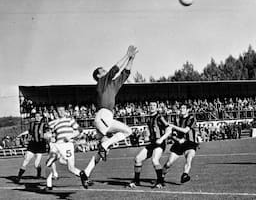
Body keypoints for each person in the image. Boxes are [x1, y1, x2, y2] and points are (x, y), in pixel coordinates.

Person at [84, 45, 138, 180]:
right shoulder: (102, 82)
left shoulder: (112, 84)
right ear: (98, 76)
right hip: (103, 115)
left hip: (103, 118)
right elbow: (115, 70)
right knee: (128, 131)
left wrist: (131, 59)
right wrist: (126, 55)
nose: (105, 70)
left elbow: (125, 73)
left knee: (103, 150)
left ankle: (86, 173)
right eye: (102, 70)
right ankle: (104, 145)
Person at [128, 102, 172, 189]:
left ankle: (160, 182)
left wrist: (162, 139)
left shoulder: (159, 117)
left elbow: (169, 129)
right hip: (152, 143)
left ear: (157, 108)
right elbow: (149, 131)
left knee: (155, 160)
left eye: (154, 106)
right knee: (138, 159)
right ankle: (137, 181)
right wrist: (146, 136)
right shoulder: (149, 118)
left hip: (160, 143)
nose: (152, 107)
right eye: (150, 106)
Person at [44, 106, 88, 191]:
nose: (60, 112)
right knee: (48, 163)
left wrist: (70, 136)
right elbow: (47, 134)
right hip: (57, 145)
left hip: (67, 145)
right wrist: (49, 137)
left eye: (62, 110)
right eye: (58, 111)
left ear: (65, 111)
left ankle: (82, 175)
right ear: (56, 112)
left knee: (71, 168)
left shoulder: (70, 120)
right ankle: (49, 186)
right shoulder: (53, 123)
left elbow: (80, 130)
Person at [162, 104, 198, 184]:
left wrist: (173, 126)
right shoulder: (177, 119)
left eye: (183, 108)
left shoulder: (191, 118)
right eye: (181, 108)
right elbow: (172, 135)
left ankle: (185, 175)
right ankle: (161, 176)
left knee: (189, 159)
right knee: (168, 163)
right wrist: (177, 139)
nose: (181, 109)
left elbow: (186, 130)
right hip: (179, 144)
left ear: (188, 110)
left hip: (190, 143)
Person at [15, 113, 49, 183]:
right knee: (26, 159)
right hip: (32, 144)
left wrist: (48, 139)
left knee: (36, 164)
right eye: (36, 116)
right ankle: (18, 177)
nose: (37, 117)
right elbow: (29, 132)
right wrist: (20, 134)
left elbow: (47, 134)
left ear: (41, 117)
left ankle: (39, 173)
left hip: (40, 145)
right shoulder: (32, 124)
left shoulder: (44, 125)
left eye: (39, 116)